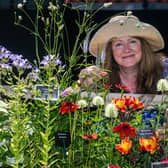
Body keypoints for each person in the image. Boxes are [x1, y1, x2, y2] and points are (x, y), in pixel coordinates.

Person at [79, 12, 168, 94]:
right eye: (119, 44)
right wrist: (87, 87)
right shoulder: (100, 78)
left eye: (132, 42)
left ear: (143, 46)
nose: (127, 50)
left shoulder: (164, 70)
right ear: (110, 51)